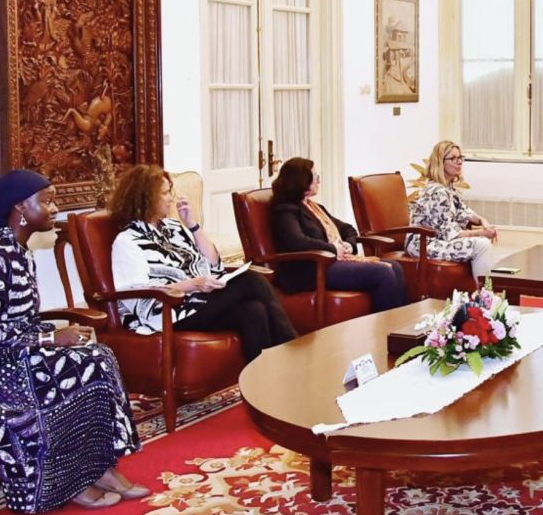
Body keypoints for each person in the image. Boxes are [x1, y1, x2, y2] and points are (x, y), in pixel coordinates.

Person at [0, 170, 147, 513]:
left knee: (97, 355)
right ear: (20, 207)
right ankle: (71, 481)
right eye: (47, 200)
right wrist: (49, 338)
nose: (55, 207)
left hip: (12, 355)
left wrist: (52, 338)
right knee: (73, 367)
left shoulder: (18, 251)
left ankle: (100, 468)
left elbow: (18, 321)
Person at [109, 165, 296, 361]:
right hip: (167, 312)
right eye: (165, 193)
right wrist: (191, 285)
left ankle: (263, 383)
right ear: (146, 197)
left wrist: (192, 225)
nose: (171, 198)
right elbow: (137, 298)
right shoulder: (127, 241)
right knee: (252, 280)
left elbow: (214, 264)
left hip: (198, 299)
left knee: (253, 311)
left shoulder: (173, 227)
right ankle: (292, 348)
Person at [270, 157, 407, 311]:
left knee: (395, 267)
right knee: (383, 272)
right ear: (302, 180)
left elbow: (348, 229)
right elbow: (298, 242)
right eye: (315, 176)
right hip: (309, 270)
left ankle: (398, 330)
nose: (318, 181)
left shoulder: (315, 207)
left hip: (331, 263)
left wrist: (348, 244)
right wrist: (333, 249)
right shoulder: (285, 210)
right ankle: (386, 331)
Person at [406, 141, 497, 278]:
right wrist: (482, 233)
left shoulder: (447, 188)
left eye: (460, 157)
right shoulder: (437, 191)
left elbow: (463, 210)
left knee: (482, 243)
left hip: (438, 240)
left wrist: (482, 220)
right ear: (440, 162)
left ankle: (484, 293)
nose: (459, 162)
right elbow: (451, 233)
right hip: (423, 245)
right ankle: (485, 295)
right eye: (453, 158)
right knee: (481, 245)